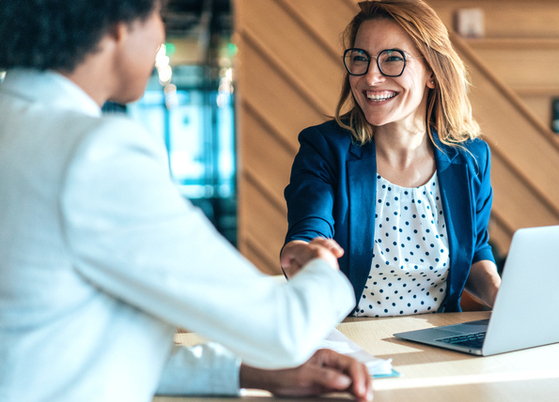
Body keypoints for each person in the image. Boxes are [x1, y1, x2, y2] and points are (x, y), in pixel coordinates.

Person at [0, 1, 372, 401]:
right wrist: (323, 270)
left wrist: (254, 374)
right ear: (118, 26)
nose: (162, 33)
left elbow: (50, 350)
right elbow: (284, 330)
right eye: (159, 15)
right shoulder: (94, 153)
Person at [281, 0, 501, 317]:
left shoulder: (470, 156)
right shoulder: (325, 147)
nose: (371, 77)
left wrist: (500, 294)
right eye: (361, 59)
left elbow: (476, 249)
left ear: (432, 73)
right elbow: (308, 231)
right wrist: (305, 254)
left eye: (392, 60)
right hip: (351, 342)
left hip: (438, 341)